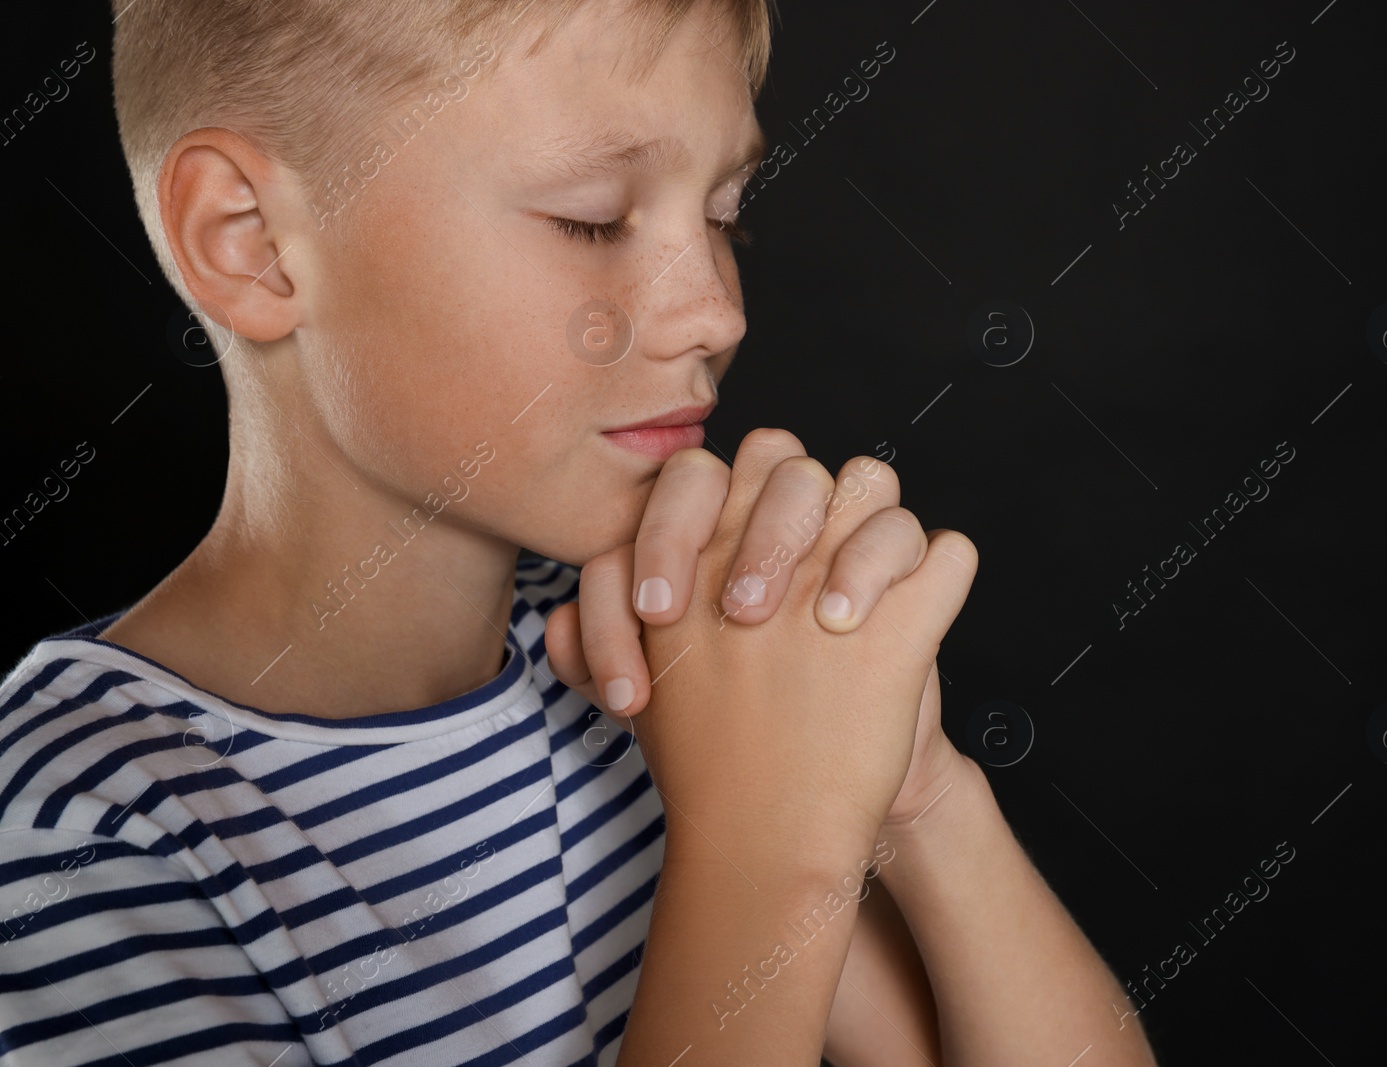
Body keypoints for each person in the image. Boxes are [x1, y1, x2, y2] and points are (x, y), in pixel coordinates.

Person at [0, 1, 1160, 1063]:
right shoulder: (77, 838)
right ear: (250, 239)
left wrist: (915, 790)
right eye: (593, 222)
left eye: (722, 217)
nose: (714, 306)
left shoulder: (652, 668)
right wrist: (766, 853)